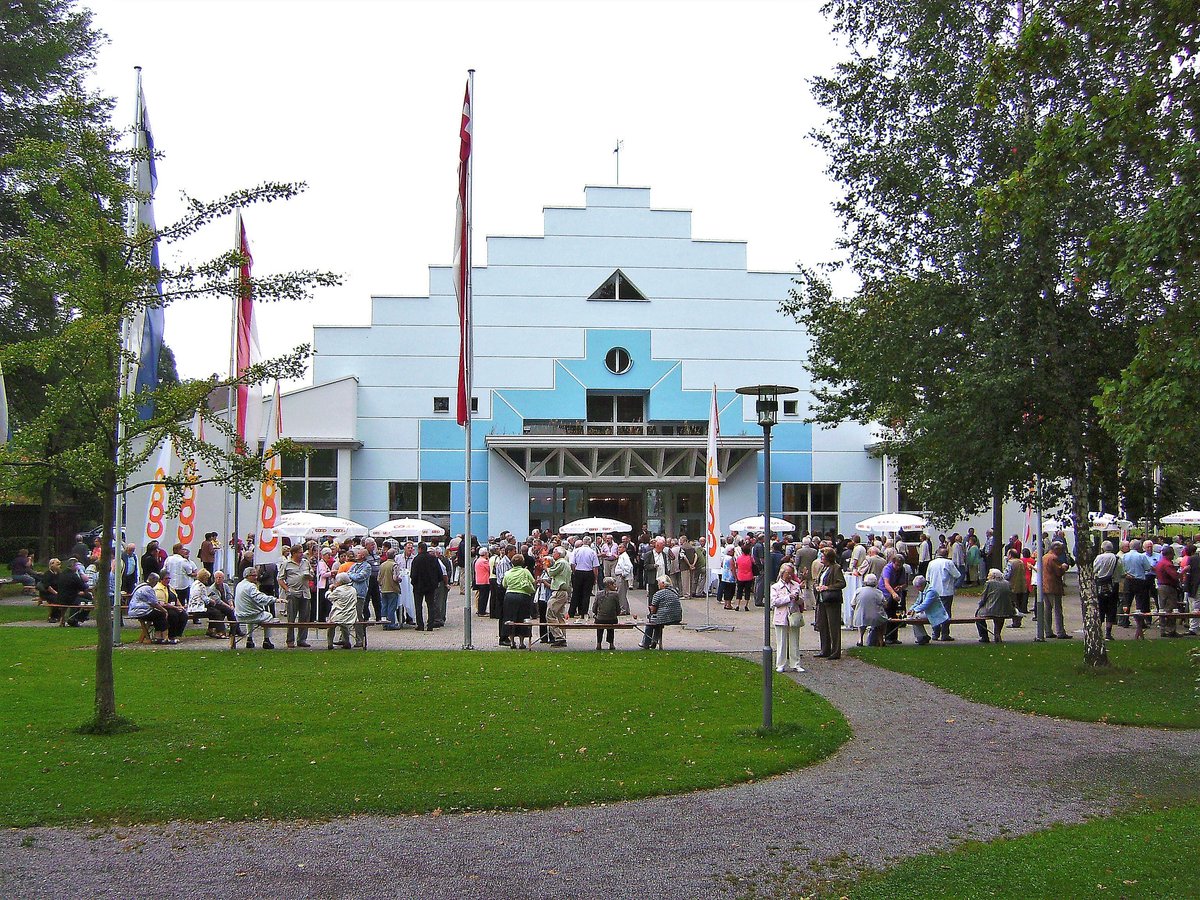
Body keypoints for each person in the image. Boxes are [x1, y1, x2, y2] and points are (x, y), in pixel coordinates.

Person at [771, 563, 805, 672]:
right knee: (781, 641)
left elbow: (802, 601)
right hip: (781, 616)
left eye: (792, 573)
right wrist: (788, 598)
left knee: (794, 640)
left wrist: (797, 598)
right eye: (788, 573)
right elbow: (774, 602)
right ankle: (780, 664)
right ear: (782, 573)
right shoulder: (775, 587)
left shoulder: (796, 585)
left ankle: (795, 663)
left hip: (793, 615)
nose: (790, 576)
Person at [814, 548, 846, 659]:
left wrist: (827, 587)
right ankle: (825, 650)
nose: (821, 558)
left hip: (832, 601)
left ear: (828, 558)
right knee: (823, 626)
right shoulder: (824, 568)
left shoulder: (836, 568)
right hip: (822, 600)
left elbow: (842, 583)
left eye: (823, 556)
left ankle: (835, 651)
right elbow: (819, 580)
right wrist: (817, 586)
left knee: (833, 626)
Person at [234, 567, 276, 649]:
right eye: (253, 575)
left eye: (256, 575)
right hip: (250, 615)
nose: (256, 577)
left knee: (251, 618)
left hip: (239, 615)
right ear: (247, 576)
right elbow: (259, 598)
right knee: (269, 616)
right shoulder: (251, 586)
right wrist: (274, 599)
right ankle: (266, 640)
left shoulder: (240, 584)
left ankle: (249, 640)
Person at [280, 543, 314, 648]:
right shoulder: (286, 564)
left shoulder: (305, 562)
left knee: (304, 618)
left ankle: (302, 639)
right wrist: (287, 590)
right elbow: (280, 579)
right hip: (293, 593)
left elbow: (312, 575)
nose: (301, 554)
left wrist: (310, 576)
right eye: (299, 552)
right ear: (293, 553)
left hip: (305, 592)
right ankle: (290, 640)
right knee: (291, 617)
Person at [501, 553, 537, 649]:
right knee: (523, 618)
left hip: (510, 596)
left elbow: (504, 584)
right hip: (523, 595)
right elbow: (533, 581)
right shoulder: (525, 571)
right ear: (523, 562)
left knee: (510, 618)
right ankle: (521, 642)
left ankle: (512, 642)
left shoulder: (508, 572)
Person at [925, 547, 961, 641]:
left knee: (935, 612)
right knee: (946, 613)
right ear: (946, 554)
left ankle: (935, 633)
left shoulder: (931, 563)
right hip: (946, 591)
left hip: (933, 591)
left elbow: (927, 578)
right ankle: (945, 633)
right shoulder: (948, 563)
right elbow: (957, 575)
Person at [640, 575, 682, 650]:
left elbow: (653, 609)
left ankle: (646, 642)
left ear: (663, 583)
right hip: (677, 617)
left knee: (652, 621)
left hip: (666, 617)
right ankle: (654, 641)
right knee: (658, 620)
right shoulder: (675, 592)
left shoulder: (658, 594)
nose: (657, 584)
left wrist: (651, 609)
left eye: (659, 582)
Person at [1040, 541, 1070, 639]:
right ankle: (1060, 632)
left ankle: (1048, 631)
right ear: (1056, 549)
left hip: (1044, 586)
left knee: (1047, 609)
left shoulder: (1044, 557)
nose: (1062, 552)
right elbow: (1058, 572)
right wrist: (1064, 567)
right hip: (1053, 586)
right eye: (1061, 549)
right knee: (1057, 610)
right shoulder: (1053, 558)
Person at [975, 568, 1014, 643]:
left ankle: (984, 636)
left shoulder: (989, 583)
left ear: (993, 576)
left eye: (989, 575)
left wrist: (980, 606)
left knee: (978, 615)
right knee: (1000, 616)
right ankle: (997, 634)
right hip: (1006, 609)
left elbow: (983, 598)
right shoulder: (1007, 583)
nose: (987, 577)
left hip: (992, 609)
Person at [1154, 545, 1184, 638]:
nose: (1174, 555)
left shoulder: (1160, 562)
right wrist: (1184, 571)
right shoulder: (1167, 564)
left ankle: (1163, 629)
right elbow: (1175, 576)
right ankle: (1170, 630)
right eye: (1173, 554)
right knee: (1170, 608)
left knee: (1162, 609)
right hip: (1168, 588)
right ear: (1169, 554)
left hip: (1161, 586)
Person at [850, 572, 886, 648]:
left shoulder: (858, 591)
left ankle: (860, 639)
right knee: (881, 622)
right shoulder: (879, 592)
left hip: (861, 615)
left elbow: (853, 604)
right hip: (875, 616)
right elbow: (884, 604)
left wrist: (857, 610)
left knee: (862, 622)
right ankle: (881, 640)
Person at [1093, 541, 1120, 640]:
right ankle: (1108, 632)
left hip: (1100, 585)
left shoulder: (1099, 558)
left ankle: (1098, 632)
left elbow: (1094, 570)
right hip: (1113, 586)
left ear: (1102, 548)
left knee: (1100, 608)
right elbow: (1120, 572)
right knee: (1111, 609)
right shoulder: (1117, 558)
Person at [908, 574, 946, 645]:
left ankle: (922, 637)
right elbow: (918, 602)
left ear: (922, 585)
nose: (916, 589)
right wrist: (911, 609)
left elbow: (925, 604)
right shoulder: (922, 591)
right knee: (911, 618)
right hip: (928, 613)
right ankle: (922, 636)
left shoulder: (931, 591)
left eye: (917, 587)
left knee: (913, 618)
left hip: (935, 614)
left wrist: (915, 611)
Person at [544, 546, 571, 647]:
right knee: (560, 616)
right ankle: (562, 636)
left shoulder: (560, 562)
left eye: (554, 552)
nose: (552, 554)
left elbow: (551, 573)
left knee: (550, 614)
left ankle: (559, 637)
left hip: (559, 591)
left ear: (559, 554)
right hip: (563, 591)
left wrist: (546, 567)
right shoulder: (566, 563)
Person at [569, 537, 600, 620]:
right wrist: (595, 578)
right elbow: (595, 567)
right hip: (588, 573)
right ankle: (583, 612)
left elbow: (572, 564)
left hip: (578, 572)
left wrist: (575, 572)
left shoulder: (576, 551)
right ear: (590, 543)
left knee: (575, 593)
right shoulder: (592, 552)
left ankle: (571, 612)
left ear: (583, 542)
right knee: (586, 594)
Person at [56, 557, 92, 627]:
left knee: (87, 597)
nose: (78, 567)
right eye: (76, 565)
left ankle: (72, 617)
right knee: (89, 603)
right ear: (73, 566)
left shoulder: (62, 574)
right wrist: (85, 591)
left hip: (60, 597)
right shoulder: (73, 576)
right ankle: (74, 619)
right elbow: (83, 587)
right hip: (70, 598)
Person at [325, 573, 358, 649]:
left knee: (331, 626)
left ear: (340, 581)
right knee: (345, 626)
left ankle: (330, 643)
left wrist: (330, 589)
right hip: (351, 615)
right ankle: (346, 641)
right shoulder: (353, 589)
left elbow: (329, 597)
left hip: (339, 615)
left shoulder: (339, 590)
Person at [205, 570, 238, 638]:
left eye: (220, 577)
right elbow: (218, 601)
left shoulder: (225, 586)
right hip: (215, 605)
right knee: (229, 611)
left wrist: (231, 604)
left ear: (223, 578)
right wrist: (229, 607)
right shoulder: (212, 588)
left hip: (224, 604)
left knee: (231, 610)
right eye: (216, 577)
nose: (218, 579)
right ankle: (234, 630)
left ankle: (233, 630)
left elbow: (229, 596)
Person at [592, 576, 622, 650]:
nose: (615, 586)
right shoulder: (615, 595)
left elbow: (594, 608)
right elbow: (618, 609)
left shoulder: (598, 594)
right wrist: (616, 614)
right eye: (613, 584)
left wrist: (596, 613)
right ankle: (611, 643)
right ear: (609, 585)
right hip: (612, 618)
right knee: (611, 624)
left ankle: (599, 643)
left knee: (599, 623)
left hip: (600, 619)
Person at [1005, 548, 1028, 627]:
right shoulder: (1020, 562)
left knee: (1014, 605)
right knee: (1020, 604)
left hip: (1013, 586)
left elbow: (1007, 575)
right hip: (1021, 586)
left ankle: (1015, 622)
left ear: (1010, 555)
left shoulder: (1010, 563)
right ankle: (1019, 621)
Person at [613, 545, 635, 614]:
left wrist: (624, 574)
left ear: (624, 548)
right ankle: (626, 609)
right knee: (622, 594)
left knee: (620, 594)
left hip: (621, 576)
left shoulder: (624, 556)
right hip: (619, 575)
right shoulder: (622, 556)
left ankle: (623, 610)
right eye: (618, 547)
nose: (619, 549)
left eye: (620, 547)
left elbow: (629, 566)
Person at [473, 547, 492, 616]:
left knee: (481, 596)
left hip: (479, 580)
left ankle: (481, 610)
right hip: (484, 581)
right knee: (484, 597)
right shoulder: (484, 561)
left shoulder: (478, 560)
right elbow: (489, 568)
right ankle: (482, 611)